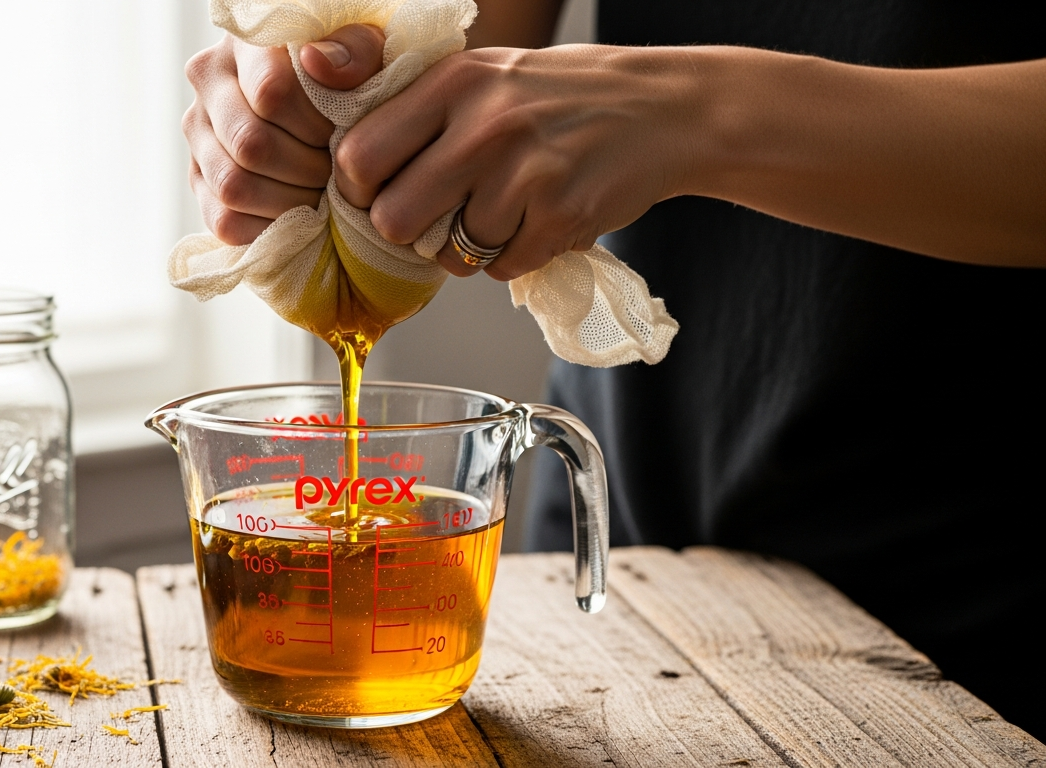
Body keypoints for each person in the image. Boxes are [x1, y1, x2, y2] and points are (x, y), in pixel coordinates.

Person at [181, 0, 1046, 735]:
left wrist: (696, 110)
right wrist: (328, 70)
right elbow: (468, 22)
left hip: (977, 579)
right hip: (629, 509)